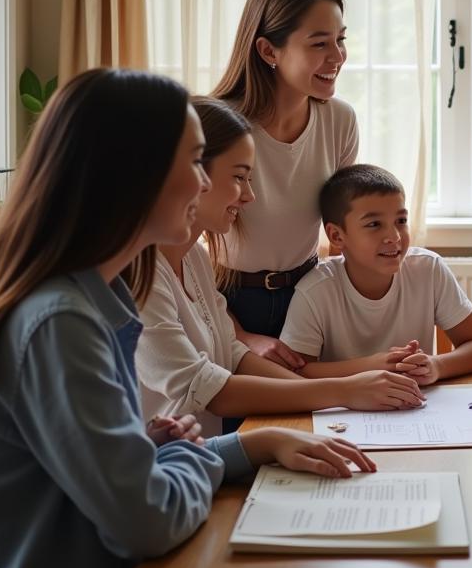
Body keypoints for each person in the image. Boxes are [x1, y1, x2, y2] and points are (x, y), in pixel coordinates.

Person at [0, 69, 381, 568]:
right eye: (194, 162)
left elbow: (125, 478)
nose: (204, 181)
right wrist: (192, 459)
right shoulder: (61, 322)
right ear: (134, 176)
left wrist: (245, 444)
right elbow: (147, 519)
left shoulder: (82, 300)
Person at [137, 100, 427, 438]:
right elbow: (206, 388)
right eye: (239, 178)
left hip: (201, 459)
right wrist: (344, 392)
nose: (250, 197)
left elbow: (232, 353)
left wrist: (340, 397)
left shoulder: (194, 259)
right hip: (160, 469)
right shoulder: (141, 274)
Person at [212, 0, 358, 371]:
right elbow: (180, 256)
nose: (337, 56)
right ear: (268, 51)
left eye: (340, 40)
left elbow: (344, 226)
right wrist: (238, 335)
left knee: (319, 423)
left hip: (310, 294)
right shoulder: (218, 127)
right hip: (228, 302)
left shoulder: (340, 120)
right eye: (319, 44)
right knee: (249, 427)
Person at [281, 164, 472, 385]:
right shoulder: (315, 290)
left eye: (401, 221)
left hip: (414, 408)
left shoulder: (428, 269)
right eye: (374, 224)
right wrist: (371, 366)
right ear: (337, 236)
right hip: (342, 413)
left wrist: (436, 366)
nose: (394, 236)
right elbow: (296, 373)